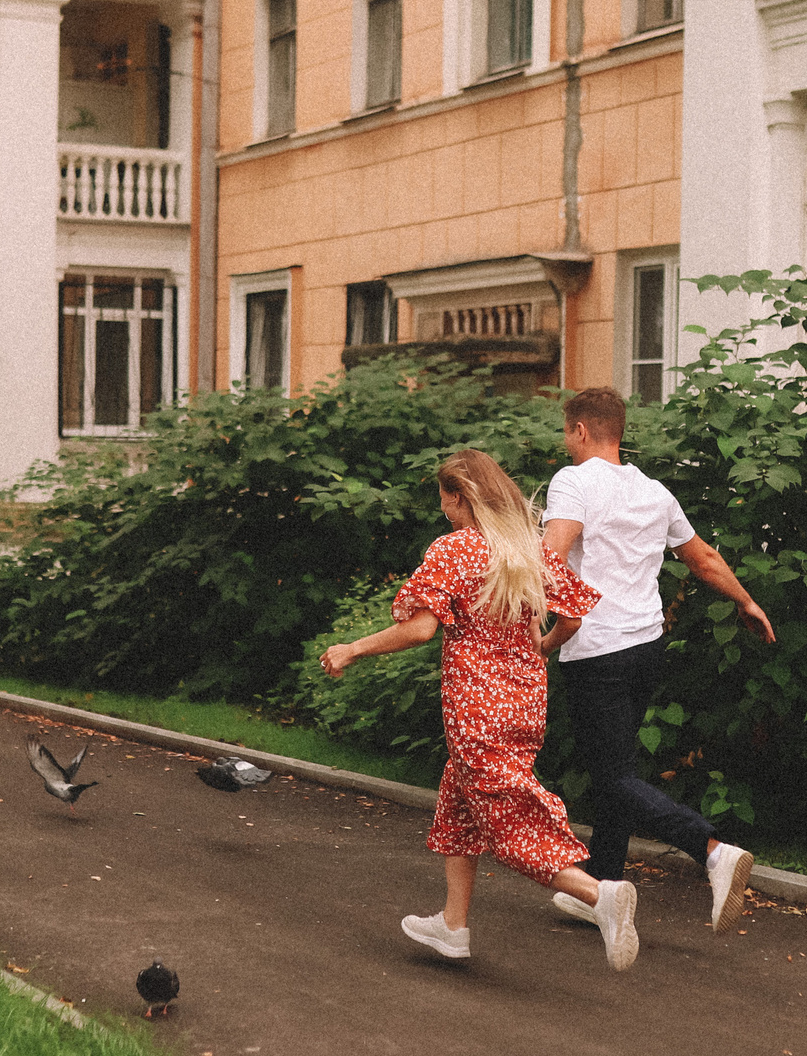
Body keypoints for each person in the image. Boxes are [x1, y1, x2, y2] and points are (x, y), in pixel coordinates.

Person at [321, 449, 643, 971]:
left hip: (476, 708)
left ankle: (597, 895)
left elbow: (422, 628)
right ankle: (452, 926)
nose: (443, 510)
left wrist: (352, 649)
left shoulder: (453, 552)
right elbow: (574, 619)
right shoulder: (525, 551)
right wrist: (540, 645)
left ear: (460, 499)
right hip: (523, 703)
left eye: (445, 499)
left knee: (509, 822)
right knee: (461, 802)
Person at [542, 387, 774, 933]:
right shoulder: (653, 491)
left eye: (566, 431)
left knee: (614, 776)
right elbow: (704, 559)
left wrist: (539, 626)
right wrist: (745, 600)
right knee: (617, 772)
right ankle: (599, 890)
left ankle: (713, 850)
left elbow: (551, 553)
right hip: (646, 647)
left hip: (596, 651)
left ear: (579, 430)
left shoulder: (572, 481)